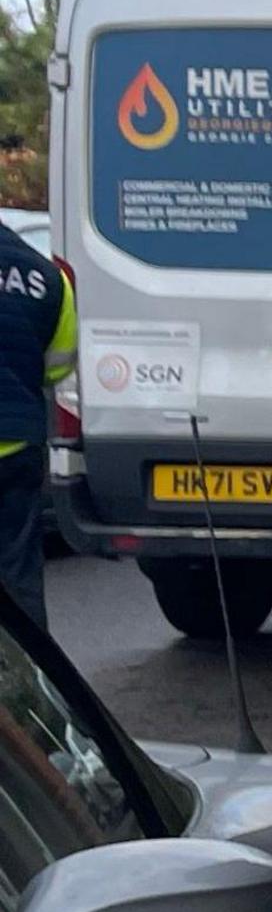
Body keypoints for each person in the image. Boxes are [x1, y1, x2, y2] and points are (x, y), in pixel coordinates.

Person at [0, 217, 73, 630]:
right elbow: (60, 363)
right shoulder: (46, 275)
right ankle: (32, 686)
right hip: (19, 446)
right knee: (20, 577)